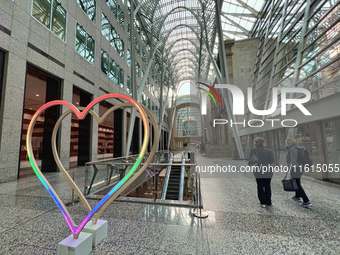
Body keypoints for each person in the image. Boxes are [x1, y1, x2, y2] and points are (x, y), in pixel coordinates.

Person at [285, 138, 312, 208]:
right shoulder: (299, 148)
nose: (286, 144)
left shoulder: (292, 149)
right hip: (300, 167)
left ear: (289, 143)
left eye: (286, 142)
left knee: (297, 184)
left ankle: (306, 201)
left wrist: (290, 169)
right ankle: (297, 196)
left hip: (296, 168)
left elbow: (293, 160)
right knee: (297, 182)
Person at [249, 137, 274, 208]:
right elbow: (272, 161)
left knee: (260, 186)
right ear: (263, 143)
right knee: (267, 185)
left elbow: (251, 160)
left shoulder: (253, 151)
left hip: (258, 169)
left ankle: (263, 202)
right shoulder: (268, 151)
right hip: (268, 170)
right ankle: (268, 201)